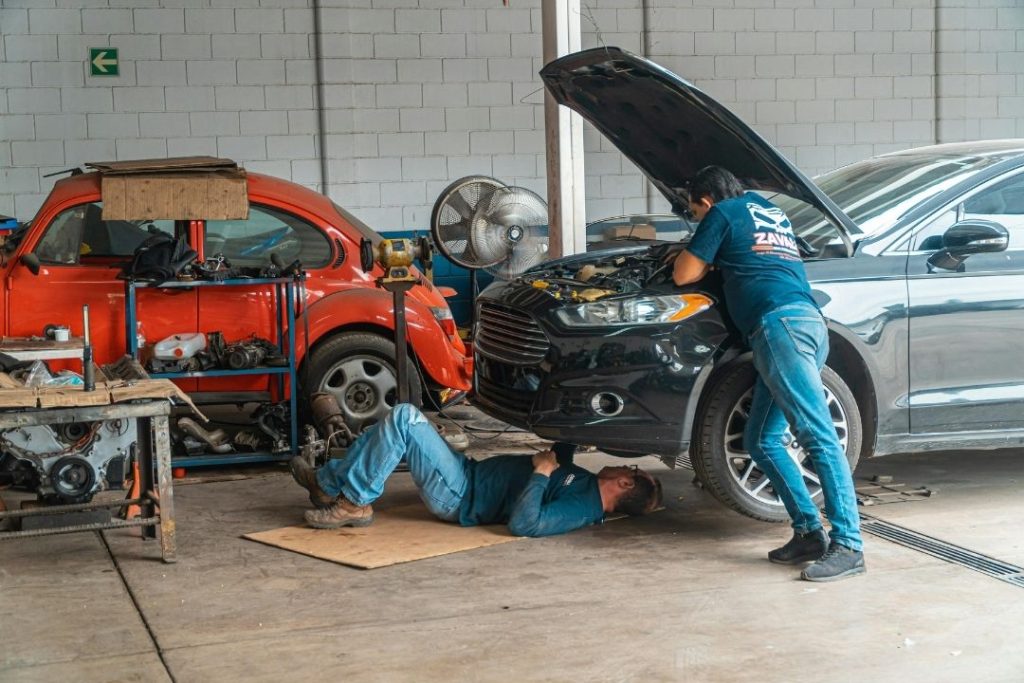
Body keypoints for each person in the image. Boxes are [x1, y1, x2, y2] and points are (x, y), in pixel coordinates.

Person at [670, 166, 865, 582]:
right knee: (761, 440)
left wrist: (700, 249)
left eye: (695, 213)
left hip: (782, 330)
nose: (698, 219)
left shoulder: (721, 213)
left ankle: (849, 545)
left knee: (817, 437)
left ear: (706, 201)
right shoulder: (769, 211)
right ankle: (810, 533)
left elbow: (683, 274)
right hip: (808, 322)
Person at [289, 403, 662, 537]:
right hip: (467, 473)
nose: (620, 464)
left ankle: (355, 502)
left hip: (459, 496)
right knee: (382, 431)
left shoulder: (582, 508)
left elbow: (525, 524)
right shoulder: (581, 483)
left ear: (625, 482)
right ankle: (327, 484)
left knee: (405, 419)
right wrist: (572, 428)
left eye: (627, 467)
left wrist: (542, 472)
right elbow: (561, 458)